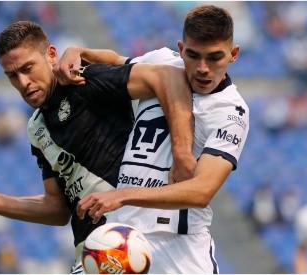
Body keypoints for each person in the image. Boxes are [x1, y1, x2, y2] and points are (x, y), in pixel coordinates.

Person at [0, 21, 196, 274]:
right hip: (91, 251)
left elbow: (169, 77)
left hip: (130, 238)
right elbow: (57, 209)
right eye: (12, 76)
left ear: (51, 55)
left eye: (27, 68)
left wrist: (181, 153)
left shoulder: (84, 82)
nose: (23, 83)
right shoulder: (36, 128)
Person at [55, 5, 249, 273]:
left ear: (233, 54)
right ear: (180, 49)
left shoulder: (230, 111)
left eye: (214, 58)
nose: (203, 68)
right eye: (193, 56)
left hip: (178, 248)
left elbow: (202, 190)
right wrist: (79, 52)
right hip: (120, 237)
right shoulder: (161, 62)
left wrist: (123, 195)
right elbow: (115, 61)